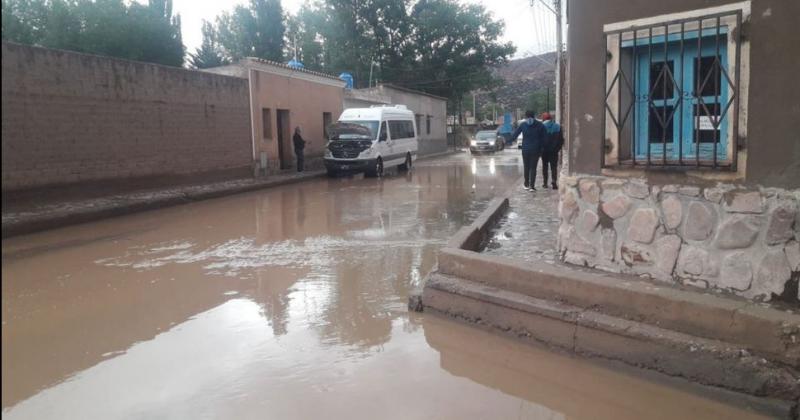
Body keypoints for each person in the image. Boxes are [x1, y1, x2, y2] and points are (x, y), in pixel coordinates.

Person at [511, 110, 547, 190]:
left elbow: (515, 135)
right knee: (533, 168)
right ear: (534, 116)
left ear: (525, 117)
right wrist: (542, 148)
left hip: (525, 150)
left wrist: (509, 139)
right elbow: (545, 138)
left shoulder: (523, 125)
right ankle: (532, 186)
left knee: (526, 167)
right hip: (536, 149)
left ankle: (526, 184)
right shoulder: (540, 125)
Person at [540, 112, 563, 190]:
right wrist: (557, 149)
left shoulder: (541, 127)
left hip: (544, 151)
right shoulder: (557, 127)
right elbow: (561, 140)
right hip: (554, 151)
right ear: (551, 118)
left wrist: (541, 149)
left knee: (545, 167)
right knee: (553, 167)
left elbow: (539, 139)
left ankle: (545, 183)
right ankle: (554, 181)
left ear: (543, 119)